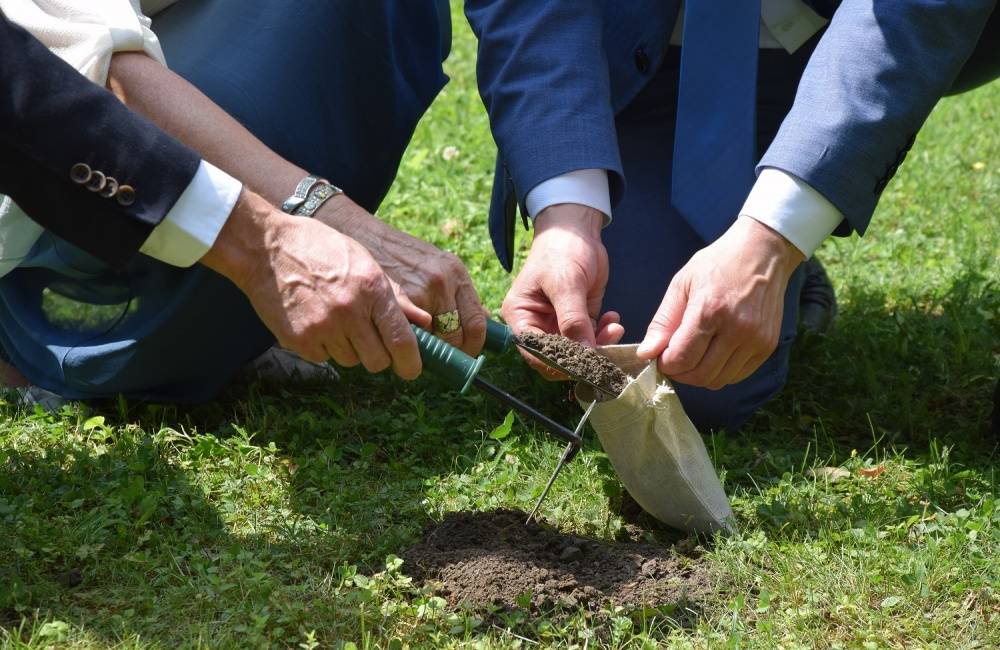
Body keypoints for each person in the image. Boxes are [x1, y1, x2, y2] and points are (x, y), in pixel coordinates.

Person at [465, 0, 997, 430]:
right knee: (676, 378)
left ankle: (783, 224)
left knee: (699, 373)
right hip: (639, 44)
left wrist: (775, 238)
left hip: (830, 37)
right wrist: (567, 219)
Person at [0, 1, 486, 405]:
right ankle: (57, 335)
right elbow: (79, 69)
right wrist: (276, 241)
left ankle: (229, 327)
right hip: (59, 218)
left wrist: (561, 214)